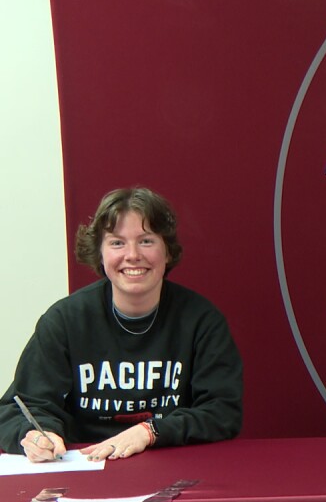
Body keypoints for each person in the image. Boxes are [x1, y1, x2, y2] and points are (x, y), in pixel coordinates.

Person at [0, 187, 243, 461]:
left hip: (173, 463)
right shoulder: (64, 321)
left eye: (146, 241)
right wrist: (35, 435)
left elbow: (223, 411)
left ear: (168, 252)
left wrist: (150, 431)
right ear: (100, 255)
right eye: (117, 243)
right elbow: (19, 407)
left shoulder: (201, 320)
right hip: (85, 465)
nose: (132, 255)